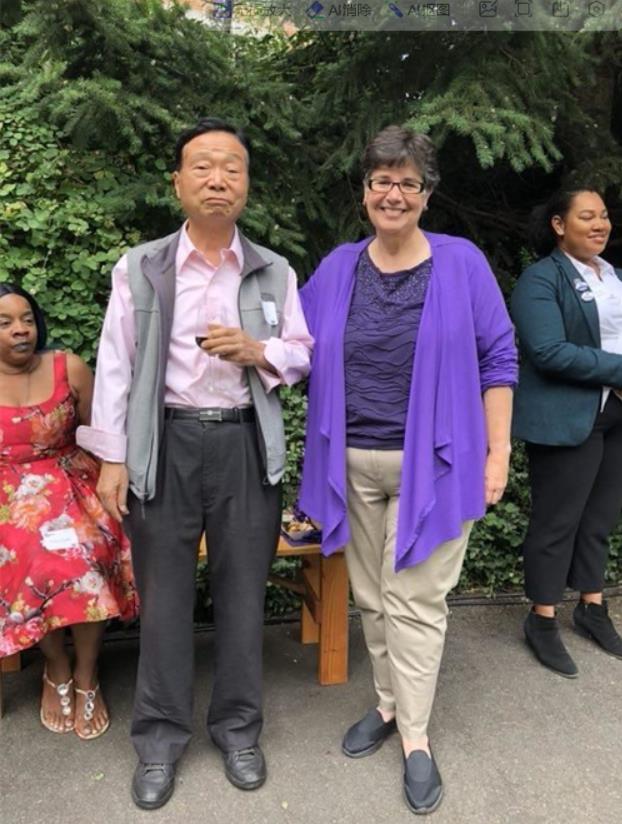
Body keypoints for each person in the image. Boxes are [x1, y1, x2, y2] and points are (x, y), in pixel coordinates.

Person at [76, 117, 312, 810]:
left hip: (244, 445)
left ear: (246, 184)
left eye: (232, 168)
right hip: (165, 443)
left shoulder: (273, 270)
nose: (218, 180)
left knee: (243, 598)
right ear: (177, 181)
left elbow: (303, 352)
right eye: (203, 166)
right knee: (165, 602)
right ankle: (158, 741)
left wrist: (259, 351)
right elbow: (115, 364)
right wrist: (113, 458)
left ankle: (239, 732)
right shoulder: (141, 267)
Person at [298, 125, 517, 815]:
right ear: (365, 190)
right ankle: (389, 705)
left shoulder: (461, 263)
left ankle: (416, 738)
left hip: (438, 465)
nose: (393, 194)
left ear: (427, 194)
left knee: (415, 600)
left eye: (408, 183)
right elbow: (293, 346)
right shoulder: (338, 267)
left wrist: (499, 452)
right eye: (382, 181)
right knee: (371, 596)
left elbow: (498, 357)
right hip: (351, 462)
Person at [0, 283, 137, 739]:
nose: (20, 330)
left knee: (83, 557)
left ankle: (86, 674)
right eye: (5, 323)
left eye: (27, 319)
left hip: (72, 483)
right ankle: (55, 665)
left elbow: (101, 434)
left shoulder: (68, 367)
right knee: (33, 560)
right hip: (7, 496)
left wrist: (111, 486)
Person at [512, 188, 622, 678]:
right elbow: (548, 351)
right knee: (558, 521)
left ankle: (592, 606)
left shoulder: (614, 276)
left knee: (600, 518)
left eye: (604, 216)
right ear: (559, 225)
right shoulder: (540, 279)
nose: (600, 225)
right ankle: (542, 618)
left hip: (616, 413)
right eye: (587, 216)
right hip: (568, 415)